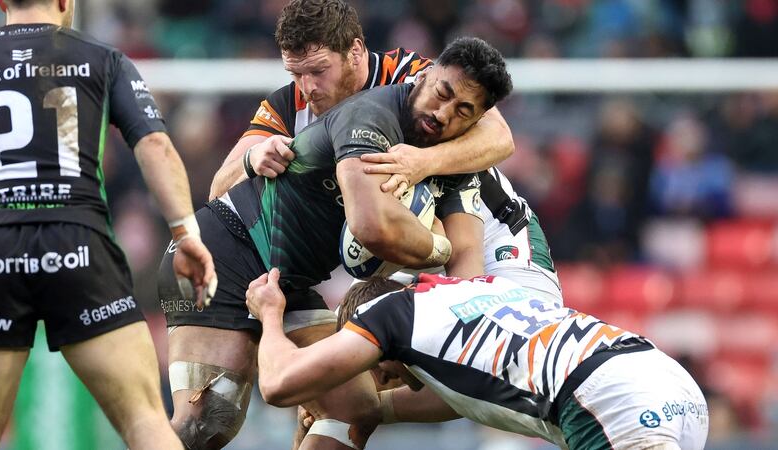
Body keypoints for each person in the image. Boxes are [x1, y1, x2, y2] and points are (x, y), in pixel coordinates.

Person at [158, 36, 513, 449]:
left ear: (479, 119)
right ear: (427, 74)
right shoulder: (371, 114)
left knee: (356, 411)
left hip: (287, 280)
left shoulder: (455, 160)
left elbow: (466, 274)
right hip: (224, 253)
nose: (443, 112)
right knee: (205, 423)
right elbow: (370, 228)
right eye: (443, 93)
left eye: (463, 110)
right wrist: (438, 246)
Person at [209, 0, 562, 306]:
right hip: (409, 249)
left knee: (509, 363)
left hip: (496, 235)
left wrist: (421, 162)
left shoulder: (408, 75)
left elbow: (500, 137)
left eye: (318, 71)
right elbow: (219, 192)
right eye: (296, 73)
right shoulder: (287, 107)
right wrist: (251, 160)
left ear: (356, 52)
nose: (308, 87)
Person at [0, 1, 217, 449]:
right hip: (79, 244)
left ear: (1, 2)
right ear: (66, 2)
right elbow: (156, 146)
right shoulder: (102, 58)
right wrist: (186, 234)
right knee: (143, 418)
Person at [246, 270, 710, 450]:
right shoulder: (482, 287)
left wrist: (270, 315)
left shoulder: (384, 313)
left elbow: (279, 384)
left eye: (377, 371)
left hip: (607, 403)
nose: (385, 381)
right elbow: (459, 400)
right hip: (669, 383)